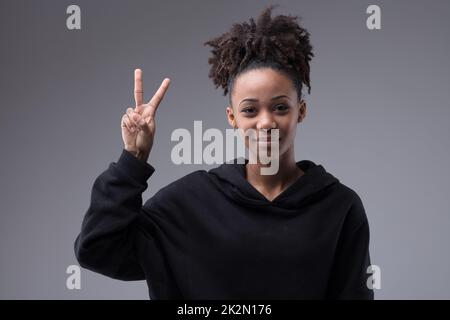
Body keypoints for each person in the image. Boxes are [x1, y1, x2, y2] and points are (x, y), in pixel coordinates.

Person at [74, 5, 374, 300]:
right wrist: (133, 160)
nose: (266, 121)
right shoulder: (191, 203)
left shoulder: (339, 207)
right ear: (232, 118)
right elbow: (99, 249)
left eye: (281, 107)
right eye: (250, 110)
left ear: (301, 111)